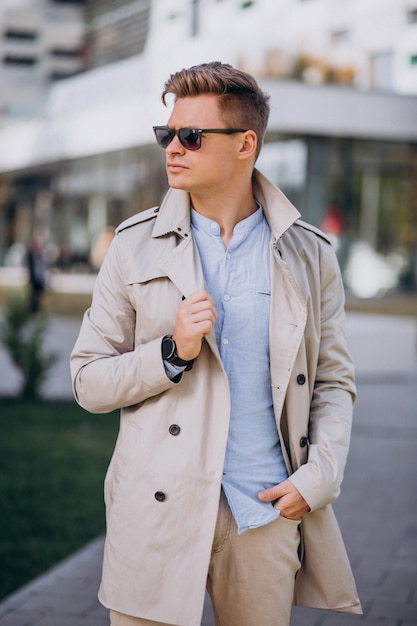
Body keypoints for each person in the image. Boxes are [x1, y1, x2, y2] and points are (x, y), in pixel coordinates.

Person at [70, 61, 361, 626]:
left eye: (192, 136)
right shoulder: (134, 248)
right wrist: (170, 353)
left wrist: (318, 477)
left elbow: (333, 380)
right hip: (155, 518)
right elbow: (86, 380)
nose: (173, 148)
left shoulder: (309, 255)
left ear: (245, 144)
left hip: (264, 513)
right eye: (167, 134)